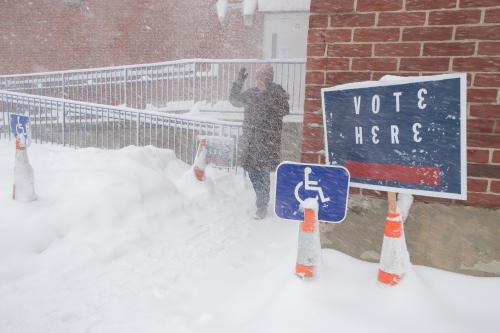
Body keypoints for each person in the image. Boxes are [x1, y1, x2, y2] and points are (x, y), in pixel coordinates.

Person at [229, 64, 289, 219]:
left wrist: (268, 94)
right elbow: (234, 100)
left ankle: (262, 205)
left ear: (268, 79)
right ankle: (261, 198)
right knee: (252, 171)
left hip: (267, 141)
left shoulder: (277, 93)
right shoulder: (252, 93)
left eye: (261, 78)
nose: (258, 81)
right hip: (250, 140)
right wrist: (239, 82)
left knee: (262, 173)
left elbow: (284, 110)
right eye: (257, 78)